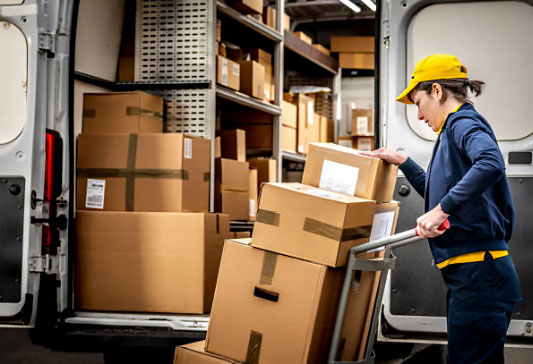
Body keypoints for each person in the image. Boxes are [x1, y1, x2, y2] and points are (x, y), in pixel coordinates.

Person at [363, 54, 522, 364]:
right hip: (473, 276)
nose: (419, 115)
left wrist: (442, 210)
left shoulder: (462, 123)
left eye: (418, 102)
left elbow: (490, 163)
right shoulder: (451, 132)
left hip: (480, 277)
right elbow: (440, 195)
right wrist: (404, 163)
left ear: (437, 91)